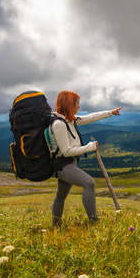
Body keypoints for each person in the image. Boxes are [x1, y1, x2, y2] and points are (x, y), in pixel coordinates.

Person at [49, 90, 122, 227]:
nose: (79, 107)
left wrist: (110, 113)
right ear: (69, 104)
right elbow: (66, 151)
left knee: (60, 196)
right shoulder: (59, 124)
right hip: (63, 165)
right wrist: (90, 147)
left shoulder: (69, 120)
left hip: (69, 163)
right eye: (77, 103)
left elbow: (89, 117)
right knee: (89, 183)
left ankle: (56, 226)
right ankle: (93, 221)